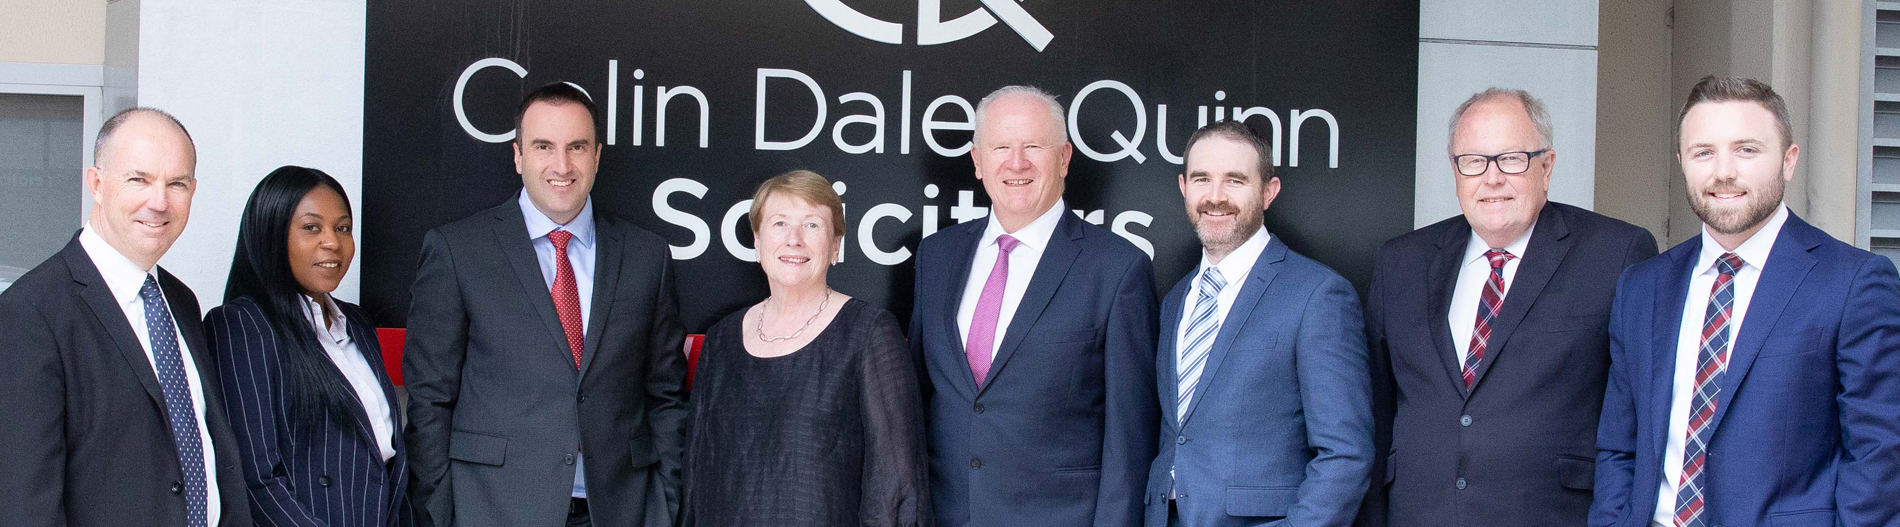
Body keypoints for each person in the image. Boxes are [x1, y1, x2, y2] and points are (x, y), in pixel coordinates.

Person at [1592, 75, 1900, 527]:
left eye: (1746, 150)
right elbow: (1619, 445)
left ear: (1788, 161)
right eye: (1703, 152)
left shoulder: (1853, 282)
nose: (1723, 172)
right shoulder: (1642, 287)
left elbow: (1880, 455)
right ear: (1682, 163)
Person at [1362, 89, 1657, 526]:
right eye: (1474, 161)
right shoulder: (1401, 262)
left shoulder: (1617, 253)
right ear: (1455, 169)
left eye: (1512, 159)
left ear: (1546, 166)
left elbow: (1638, 417)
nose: (1492, 178)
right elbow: (1376, 412)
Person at [404, 82, 689, 527]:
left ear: (597, 156)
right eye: (543, 147)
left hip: (621, 509)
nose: (562, 165)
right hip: (492, 511)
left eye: (577, 147)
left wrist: (665, 503)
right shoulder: (458, 250)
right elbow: (430, 400)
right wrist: (438, 515)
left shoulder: (646, 256)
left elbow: (665, 394)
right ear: (518, 156)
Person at [910, 85, 1160, 527]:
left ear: (1064, 158)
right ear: (977, 160)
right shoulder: (937, 256)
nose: (1017, 162)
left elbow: (1130, 440)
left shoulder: (1118, 269)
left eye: (1033, 147)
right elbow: (917, 399)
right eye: (1001, 147)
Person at [0, 107, 251, 526]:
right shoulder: (30, 313)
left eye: (177, 183)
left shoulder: (180, 301)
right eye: (139, 179)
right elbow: (26, 505)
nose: (159, 201)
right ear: (96, 184)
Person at [1146, 121, 1372, 527]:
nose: (1215, 197)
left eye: (1235, 180)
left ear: (1269, 191)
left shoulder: (1318, 294)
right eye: (1202, 179)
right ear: (1183, 187)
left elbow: (1345, 454)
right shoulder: (1176, 299)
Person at [683, 170, 930, 526]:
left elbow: (898, 485)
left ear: (835, 246)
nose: (794, 240)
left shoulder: (869, 333)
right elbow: (696, 477)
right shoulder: (721, 340)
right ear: (757, 242)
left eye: (812, 225)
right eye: (780, 223)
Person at [205, 165, 413, 526]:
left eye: (342, 228)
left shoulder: (357, 323)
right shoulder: (242, 324)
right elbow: (256, 480)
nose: (332, 242)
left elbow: (387, 460)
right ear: (272, 235)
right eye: (311, 228)